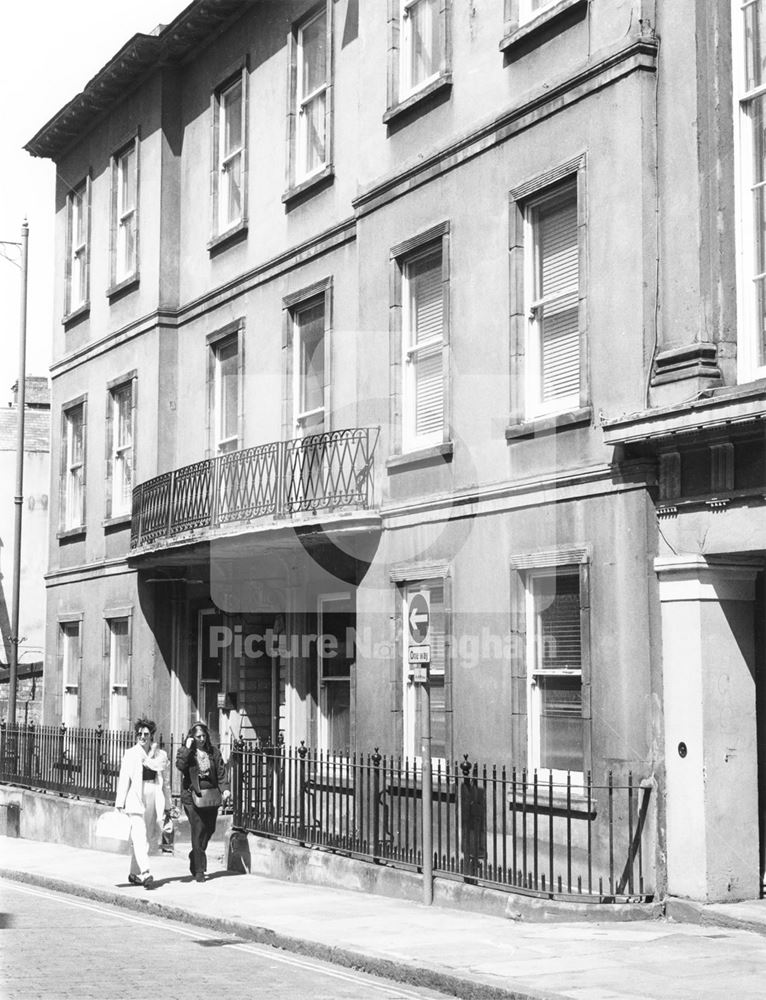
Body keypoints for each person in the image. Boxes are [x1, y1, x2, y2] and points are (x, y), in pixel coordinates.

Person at [115, 717, 172, 889]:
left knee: (146, 836)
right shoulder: (131, 753)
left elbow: (166, 783)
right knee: (139, 835)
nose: (142, 736)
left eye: (145, 734)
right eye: (139, 733)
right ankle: (146, 872)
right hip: (135, 798)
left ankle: (134, 874)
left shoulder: (160, 755)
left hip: (153, 796)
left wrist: (168, 805)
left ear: (151, 735)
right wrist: (119, 803)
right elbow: (124, 778)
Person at [175, 722, 230, 882]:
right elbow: (180, 765)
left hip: (210, 795)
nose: (201, 739)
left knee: (210, 829)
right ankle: (199, 870)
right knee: (198, 829)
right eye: (198, 736)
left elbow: (221, 772)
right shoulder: (187, 752)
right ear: (192, 737)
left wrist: (225, 788)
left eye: (204, 736)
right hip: (192, 795)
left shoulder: (213, 752)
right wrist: (187, 748)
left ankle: (195, 854)